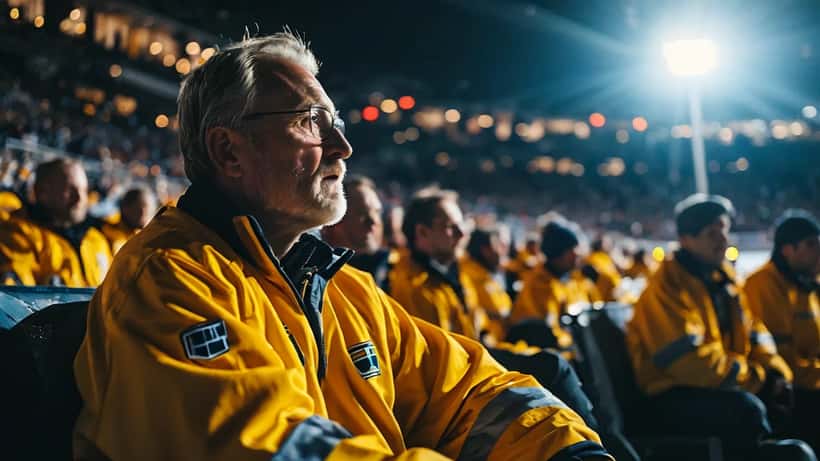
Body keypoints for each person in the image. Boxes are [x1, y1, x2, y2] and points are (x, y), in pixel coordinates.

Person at [73, 31, 610, 461]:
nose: (343, 147)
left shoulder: (342, 287)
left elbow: (469, 391)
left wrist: (569, 451)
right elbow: (266, 447)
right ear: (229, 151)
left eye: (336, 123)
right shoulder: (168, 281)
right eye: (311, 123)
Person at [388, 188, 631, 460]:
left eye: (461, 225)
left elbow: (478, 334)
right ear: (422, 233)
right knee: (553, 367)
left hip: (474, 359)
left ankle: (599, 444)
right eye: (450, 226)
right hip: (456, 379)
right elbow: (438, 358)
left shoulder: (452, 275)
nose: (461, 233)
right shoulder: (412, 286)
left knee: (557, 365)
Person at [627, 194, 813, 460]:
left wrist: (775, 371)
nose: (723, 240)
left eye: (724, 231)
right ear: (685, 239)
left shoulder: (723, 280)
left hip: (718, 383)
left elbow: (755, 333)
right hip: (668, 393)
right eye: (711, 234)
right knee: (746, 410)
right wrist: (757, 380)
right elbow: (688, 363)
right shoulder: (666, 287)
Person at [744, 209, 820, 448]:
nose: (819, 251)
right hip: (787, 390)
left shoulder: (807, 286)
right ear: (788, 250)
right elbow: (784, 360)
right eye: (811, 245)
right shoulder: (763, 285)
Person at [0, 157, 112, 286]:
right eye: (70, 190)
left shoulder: (97, 239)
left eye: (84, 190)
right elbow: (16, 292)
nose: (80, 198)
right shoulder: (18, 234)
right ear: (42, 192)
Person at [507, 219, 600, 354]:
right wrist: (574, 344)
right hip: (542, 354)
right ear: (558, 254)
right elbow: (549, 332)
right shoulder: (540, 285)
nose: (577, 255)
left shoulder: (568, 279)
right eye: (572, 250)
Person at [322, 175, 393, 289]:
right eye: (362, 212)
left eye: (377, 212)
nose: (373, 221)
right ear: (334, 219)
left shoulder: (397, 272)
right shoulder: (315, 278)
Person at [100, 186, 158, 254]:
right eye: (141, 207)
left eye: (151, 210)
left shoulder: (148, 239)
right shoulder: (106, 235)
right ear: (125, 208)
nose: (145, 214)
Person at [582, 234, 622, 302]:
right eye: (607, 243)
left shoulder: (605, 258)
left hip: (608, 295)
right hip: (601, 297)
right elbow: (609, 277)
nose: (610, 245)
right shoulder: (595, 258)